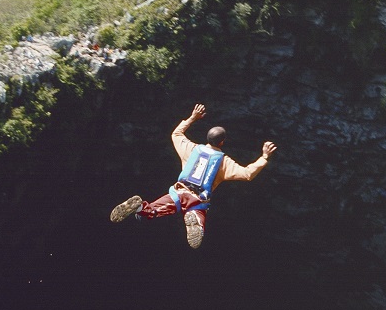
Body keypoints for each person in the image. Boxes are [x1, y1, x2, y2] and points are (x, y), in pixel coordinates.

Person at [110, 103, 277, 249]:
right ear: (222, 142)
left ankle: (140, 207)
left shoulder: (190, 149)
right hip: (197, 201)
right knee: (198, 217)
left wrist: (193, 117)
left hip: (178, 192)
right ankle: (195, 221)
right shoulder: (224, 162)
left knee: (152, 211)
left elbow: (176, 134)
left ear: (207, 138)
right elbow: (247, 174)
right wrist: (264, 157)